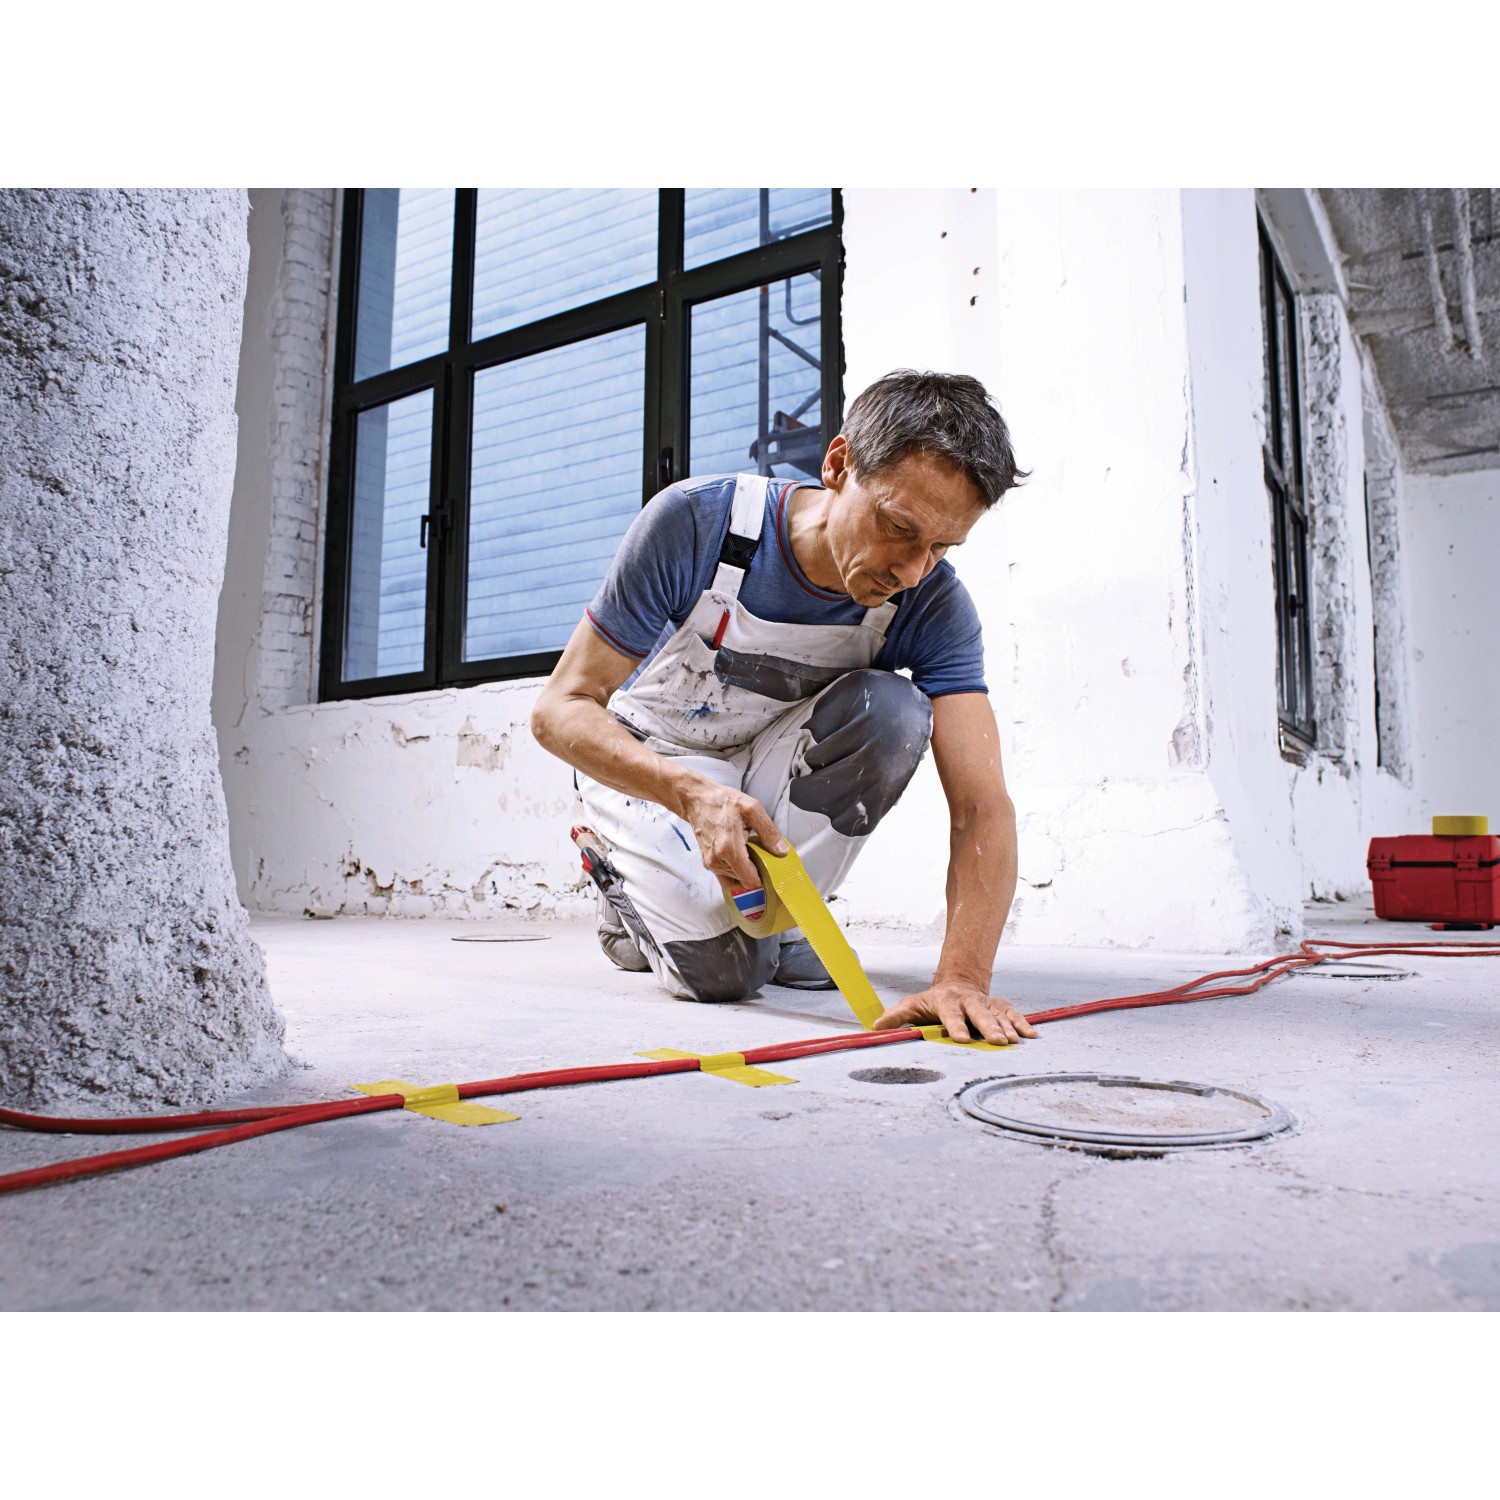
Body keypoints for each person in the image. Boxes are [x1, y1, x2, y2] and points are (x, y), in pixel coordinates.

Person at [530, 369, 1037, 1047]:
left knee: (894, 711)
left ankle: (780, 921)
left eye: (942, 547)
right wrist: (686, 793)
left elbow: (982, 805)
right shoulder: (698, 524)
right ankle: (621, 889)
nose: (913, 571)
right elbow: (560, 709)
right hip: (656, 768)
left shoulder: (933, 602)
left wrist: (963, 979)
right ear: (837, 465)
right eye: (898, 527)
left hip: (768, 772)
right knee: (724, 979)